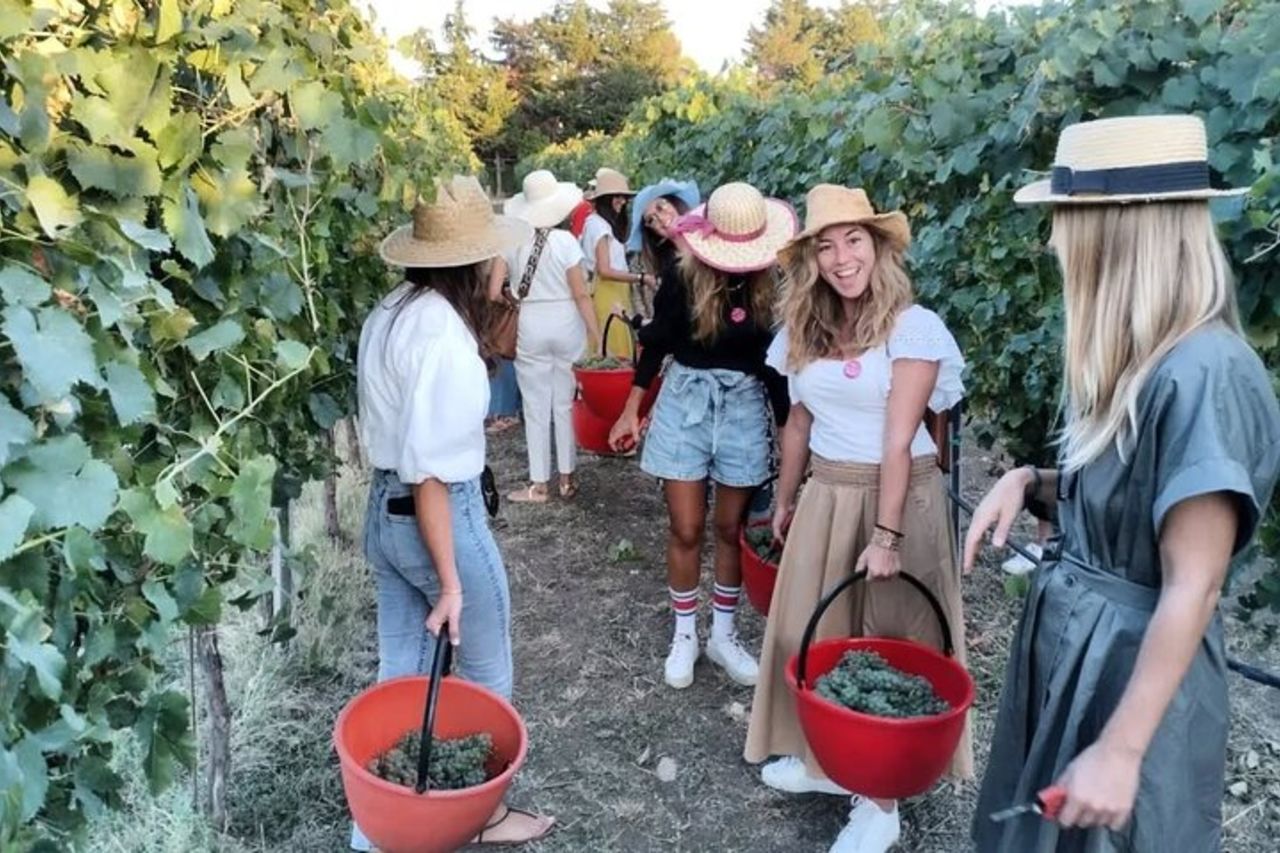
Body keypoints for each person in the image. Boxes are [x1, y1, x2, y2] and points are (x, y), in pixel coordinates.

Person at [965, 115, 1280, 853]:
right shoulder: (1140, 358)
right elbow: (1126, 500)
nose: (1053, 243)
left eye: (1065, 222)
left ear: (1121, 231)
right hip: (1081, 647)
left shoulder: (1208, 372)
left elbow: (1193, 584)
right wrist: (1032, 481)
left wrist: (1123, 748)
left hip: (1132, 672)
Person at [742, 185, 971, 853]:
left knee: (887, 641)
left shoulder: (914, 327)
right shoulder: (804, 332)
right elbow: (799, 423)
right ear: (811, 259)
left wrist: (887, 535)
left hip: (899, 499)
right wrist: (784, 498)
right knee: (817, 636)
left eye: (854, 240)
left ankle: (880, 802)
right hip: (828, 493)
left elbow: (899, 440)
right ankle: (823, 759)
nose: (842, 257)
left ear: (879, 247)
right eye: (826, 245)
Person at [354, 175, 555, 848]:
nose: (503, 263)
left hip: (383, 510)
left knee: (403, 678)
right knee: (487, 671)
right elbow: (435, 473)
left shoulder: (393, 309)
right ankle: (485, 813)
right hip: (437, 517)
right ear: (478, 262)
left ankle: (381, 826)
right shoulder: (444, 336)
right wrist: (450, 580)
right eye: (496, 252)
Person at [609, 182, 796, 690]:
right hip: (686, 402)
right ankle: (686, 634)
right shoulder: (681, 277)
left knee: (731, 529)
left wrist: (785, 435)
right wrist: (632, 410)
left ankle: (724, 634)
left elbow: (775, 370)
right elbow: (657, 345)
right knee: (686, 526)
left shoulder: (770, 286)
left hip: (742, 407)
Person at [493, 169, 600, 503]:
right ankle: (568, 479)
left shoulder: (511, 243)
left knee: (536, 406)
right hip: (567, 320)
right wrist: (596, 335)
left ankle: (539, 484)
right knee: (565, 402)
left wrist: (514, 298)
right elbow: (581, 294)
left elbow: (493, 290)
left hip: (532, 321)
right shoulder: (567, 242)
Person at [580, 168, 653, 357]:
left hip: (613, 290)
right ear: (605, 199)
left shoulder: (598, 223)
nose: (622, 200)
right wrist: (642, 278)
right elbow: (605, 270)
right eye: (616, 196)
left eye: (624, 197)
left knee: (614, 343)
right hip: (608, 291)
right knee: (614, 346)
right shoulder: (599, 226)